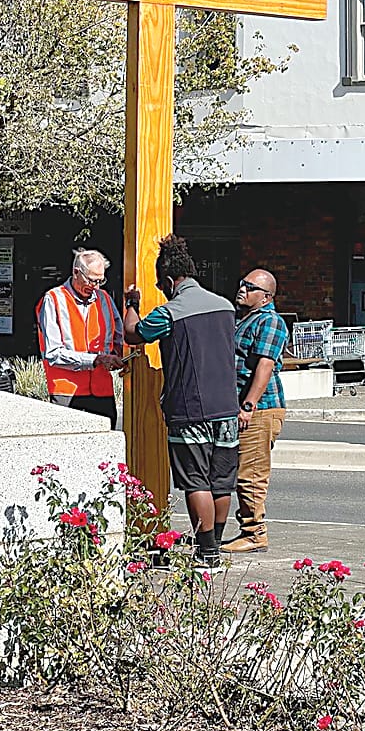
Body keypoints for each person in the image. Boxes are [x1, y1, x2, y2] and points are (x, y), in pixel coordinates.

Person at [123, 234, 239, 571]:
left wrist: (132, 303)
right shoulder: (225, 306)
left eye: (162, 284)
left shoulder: (171, 312)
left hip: (190, 409)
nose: (162, 289)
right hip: (226, 407)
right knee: (220, 482)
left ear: (171, 280)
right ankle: (214, 546)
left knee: (195, 481)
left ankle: (205, 555)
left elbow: (135, 333)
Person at [222, 268, 288, 554]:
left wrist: (248, 405)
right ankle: (246, 530)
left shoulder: (270, 321)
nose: (242, 289)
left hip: (260, 409)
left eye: (249, 287)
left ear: (266, 296)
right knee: (238, 471)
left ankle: (254, 533)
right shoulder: (244, 319)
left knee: (251, 473)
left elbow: (264, 366)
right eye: (242, 283)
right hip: (240, 405)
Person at [36, 248, 124, 427]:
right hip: (66, 391)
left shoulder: (104, 298)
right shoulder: (53, 299)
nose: (96, 287)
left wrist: (117, 356)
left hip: (102, 391)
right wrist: (96, 359)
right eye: (92, 281)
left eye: (100, 281)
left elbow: (119, 338)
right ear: (76, 273)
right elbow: (53, 353)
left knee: (106, 450)